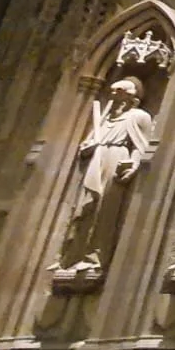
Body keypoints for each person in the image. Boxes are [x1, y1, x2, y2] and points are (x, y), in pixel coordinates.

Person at [56, 76, 154, 277]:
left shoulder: (138, 116)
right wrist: (87, 147)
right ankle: (73, 255)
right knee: (85, 207)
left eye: (117, 91)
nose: (112, 94)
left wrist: (133, 164)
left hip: (116, 160)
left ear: (129, 95)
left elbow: (141, 146)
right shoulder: (104, 119)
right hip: (96, 161)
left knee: (105, 211)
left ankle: (94, 259)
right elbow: (86, 144)